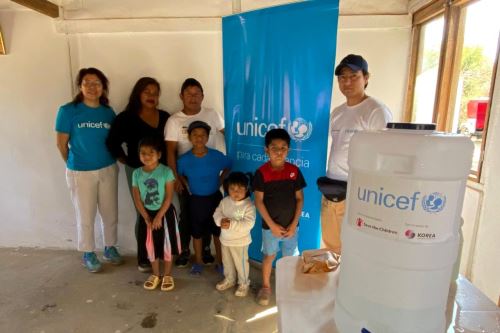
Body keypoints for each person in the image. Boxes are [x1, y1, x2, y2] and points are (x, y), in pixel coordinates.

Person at [320, 54, 392, 254]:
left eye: (354, 76)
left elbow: (384, 155)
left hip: (357, 190)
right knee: (332, 245)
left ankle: (351, 284)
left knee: (355, 248)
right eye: (342, 78)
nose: (347, 82)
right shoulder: (337, 112)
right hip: (332, 188)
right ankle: (335, 284)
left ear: (366, 78)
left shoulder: (375, 111)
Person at [55, 67, 122, 273]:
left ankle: (110, 247)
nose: (92, 87)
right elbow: (61, 144)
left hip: (108, 169)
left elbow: (113, 141)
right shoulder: (68, 111)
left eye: (97, 83)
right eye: (87, 83)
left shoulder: (108, 112)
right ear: (80, 86)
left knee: (110, 213)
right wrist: (74, 164)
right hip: (81, 172)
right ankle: (88, 253)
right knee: (86, 215)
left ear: (103, 88)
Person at [106, 77, 169, 273]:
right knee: (144, 214)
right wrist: (127, 161)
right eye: (146, 92)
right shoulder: (126, 118)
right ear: (138, 94)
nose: (151, 96)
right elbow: (112, 142)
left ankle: (160, 255)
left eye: (155, 93)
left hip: (163, 174)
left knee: (163, 213)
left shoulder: (166, 117)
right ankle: (144, 257)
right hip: (138, 172)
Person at [164, 78, 225, 267]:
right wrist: (176, 179)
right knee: (187, 215)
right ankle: (184, 250)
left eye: (197, 93)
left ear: (202, 96)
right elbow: (170, 152)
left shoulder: (212, 114)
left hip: (210, 175)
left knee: (209, 214)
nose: (193, 97)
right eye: (188, 94)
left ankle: (206, 250)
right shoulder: (174, 121)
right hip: (186, 176)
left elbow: (229, 134)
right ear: (181, 96)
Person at [253, 129, 306, 306]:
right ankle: (266, 287)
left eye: (283, 147)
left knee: (289, 257)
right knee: (270, 256)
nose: (279, 151)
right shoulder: (261, 173)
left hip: (292, 227)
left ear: (288, 150)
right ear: (266, 150)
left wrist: (293, 224)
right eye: (274, 147)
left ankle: (288, 287)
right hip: (270, 228)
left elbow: (299, 199)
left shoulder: (294, 171)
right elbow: (259, 202)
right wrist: (272, 226)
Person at [177, 121, 231, 276]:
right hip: (196, 201)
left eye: (202, 135)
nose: (199, 138)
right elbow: (178, 173)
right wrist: (186, 184)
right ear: (189, 137)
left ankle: (220, 262)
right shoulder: (184, 159)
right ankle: (198, 262)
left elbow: (229, 165)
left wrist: (220, 180)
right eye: (195, 135)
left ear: (207, 138)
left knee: (217, 231)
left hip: (215, 198)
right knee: (197, 233)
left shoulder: (216, 156)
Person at [131, 137, 181, 291]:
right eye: (143, 153)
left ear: (159, 154)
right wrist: (146, 217)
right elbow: (137, 197)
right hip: (147, 215)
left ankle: (167, 274)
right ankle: (155, 274)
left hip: (164, 214)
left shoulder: (166, 172)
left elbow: (168, 196)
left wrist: (159, 216)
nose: (146, 156)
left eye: (150, 153)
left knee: (167, 244)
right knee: (150, 245)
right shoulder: (136, 173)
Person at [213, 172, 255, 297]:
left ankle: (243, 283)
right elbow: (217, 213)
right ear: (227, 188)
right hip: (225, 240)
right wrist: (220, 221)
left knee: (241, 264)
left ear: (246, 189)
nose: (235, 192)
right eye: (232, 189)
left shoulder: (248, 205)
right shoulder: (225, 201)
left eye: (240, 189)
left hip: (240, 243)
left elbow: (249, 224)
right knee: (227, 262)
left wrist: (231, 224)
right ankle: (229, 280)